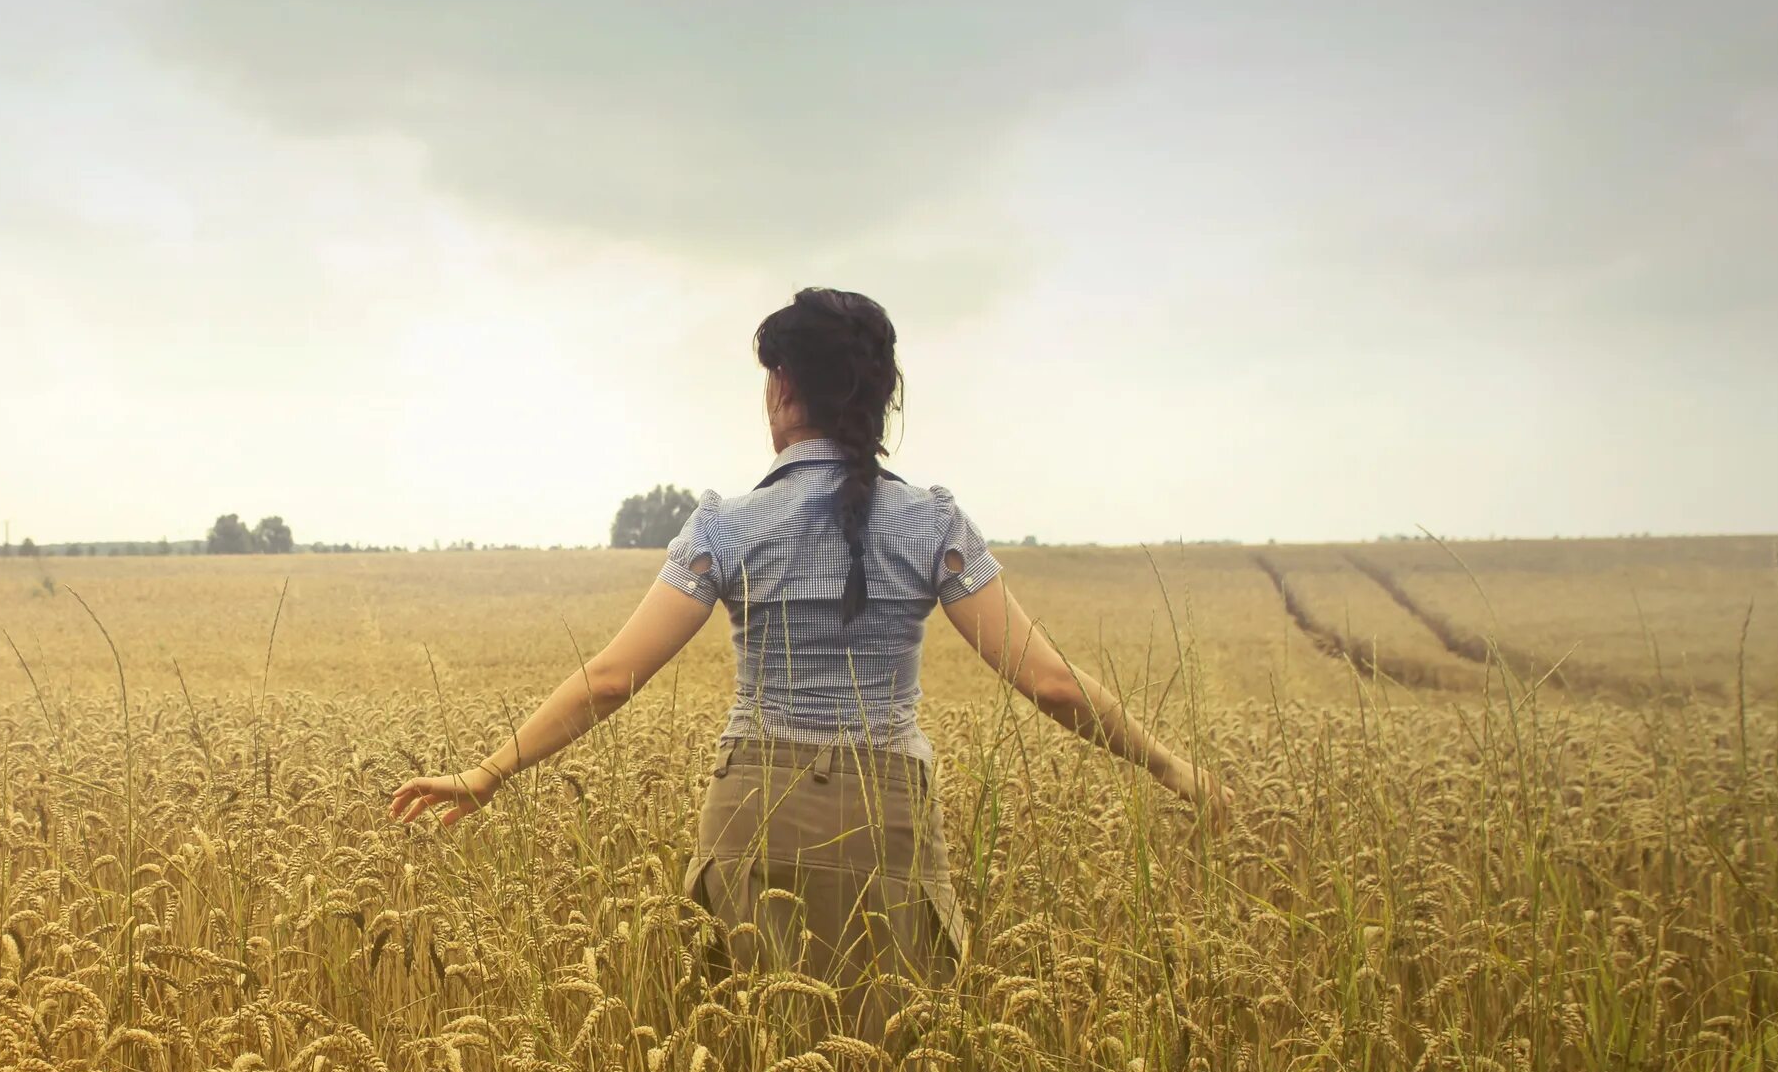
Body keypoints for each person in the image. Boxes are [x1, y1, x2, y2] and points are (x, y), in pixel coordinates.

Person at [389, 286, 1221, 1013]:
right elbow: (1053, 684)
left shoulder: (726, 525)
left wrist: (488, 771)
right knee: (891, 1059)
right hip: (884, 809)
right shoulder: (934, 523)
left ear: (782, 389)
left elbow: (611, 677)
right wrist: (1171, 767)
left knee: (753, 1059)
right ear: (879, 399)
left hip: (756, 806)